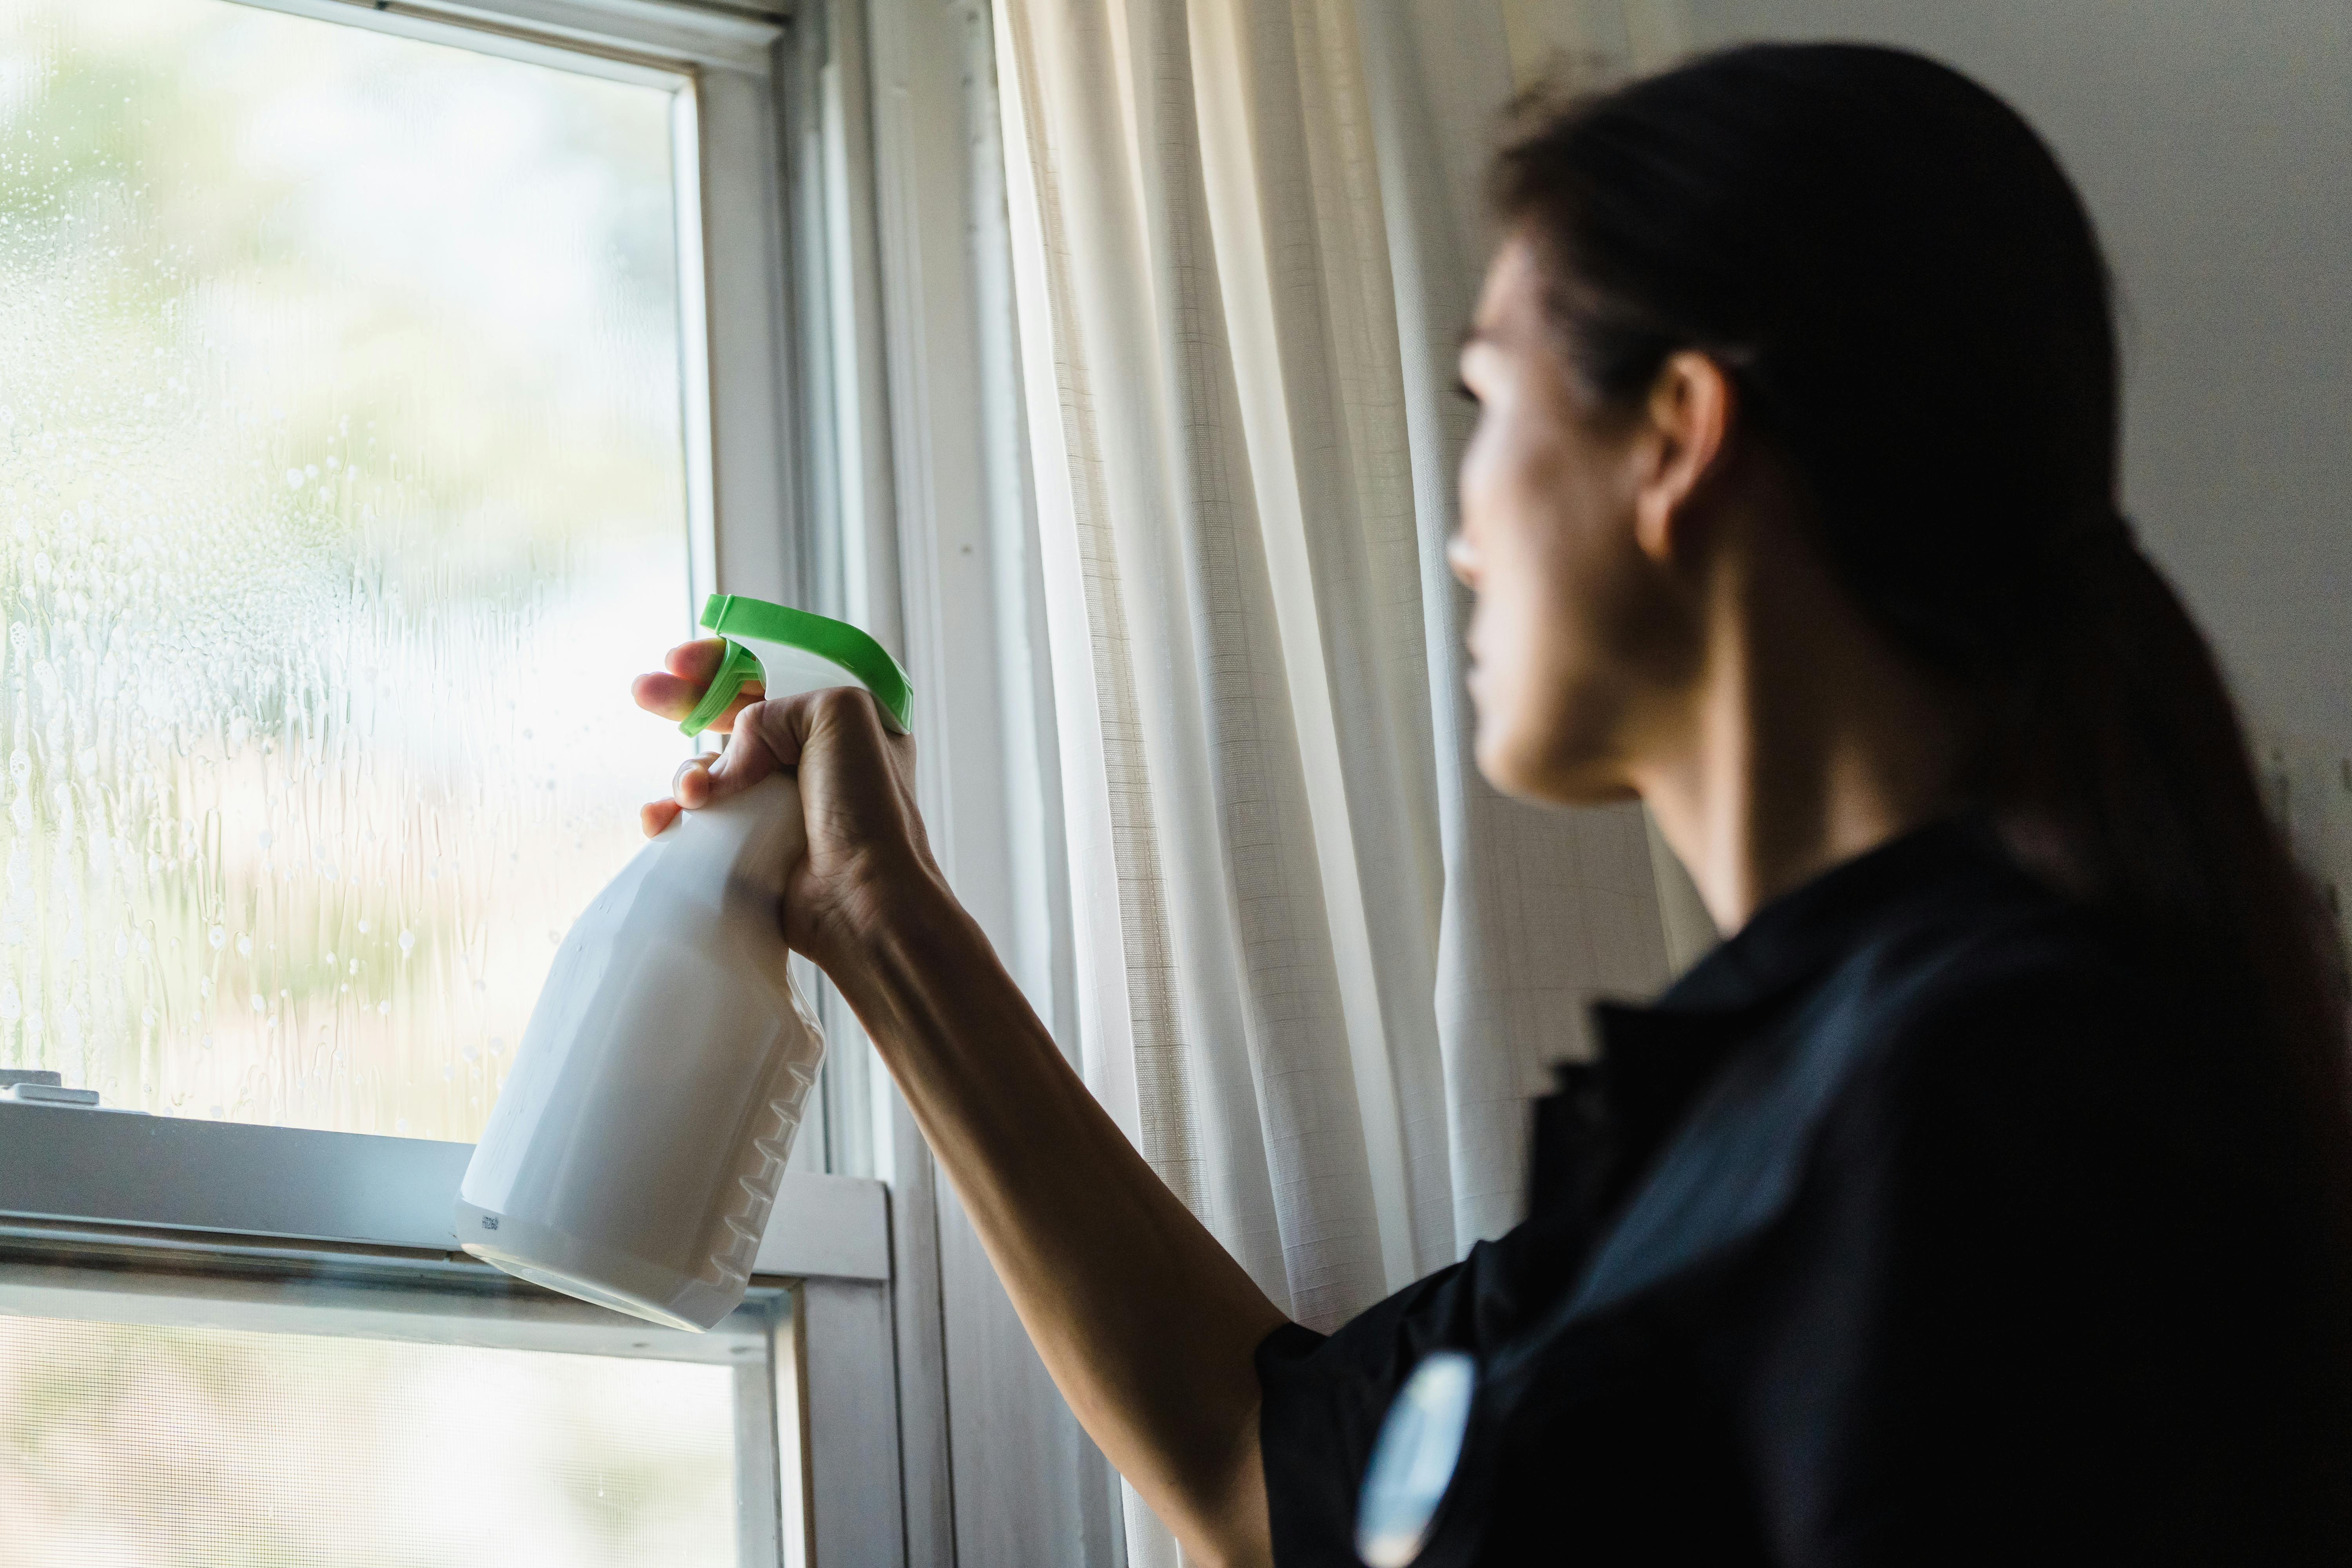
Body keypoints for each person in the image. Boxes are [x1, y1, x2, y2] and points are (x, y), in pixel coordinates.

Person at [633, 42, 2352, 1568]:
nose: (1461, 522)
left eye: (1487, 403)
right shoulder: (1757, 1132)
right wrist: (876, 912)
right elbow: (1265, 1478)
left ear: (1675, 437)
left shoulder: (1996, 1098)